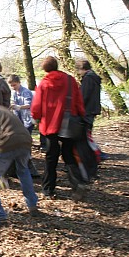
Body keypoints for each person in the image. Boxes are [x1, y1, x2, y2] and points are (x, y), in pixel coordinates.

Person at [30, 56, 87, 200]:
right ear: (57, 65)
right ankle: (77, 183)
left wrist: (35, 117)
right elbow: (79, 100)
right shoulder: (70, 80)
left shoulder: (44, 83)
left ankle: (48, 189)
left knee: (51, 157)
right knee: (69, 155)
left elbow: (36, 106)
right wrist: (81, 115)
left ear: (45, 69)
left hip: (50, 125)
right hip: (70, 123)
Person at [0, 104, 40, 227]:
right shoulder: (2, 110)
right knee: (23, 170)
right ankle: (32, 205)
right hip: (26, 140)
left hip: (8, 141)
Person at [7, 74, 40, 177]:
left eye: (14, 85)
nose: (13, 87)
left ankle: (28, 162)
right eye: (11, 85)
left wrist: (18, 107)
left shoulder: (25, 92)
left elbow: (29, 105)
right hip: (18, 120)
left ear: (19, 83)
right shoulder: (14, 93)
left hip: (27, 120)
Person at [76, 59, 108, 160]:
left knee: (86, 134)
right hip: (92, 109)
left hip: (87, 110)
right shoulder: (93, 77)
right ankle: (94, 152)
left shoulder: (88, 79)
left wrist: (78, 107)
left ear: (81, 69)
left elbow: (83, 96)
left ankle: (97, 153)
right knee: (86, 133)